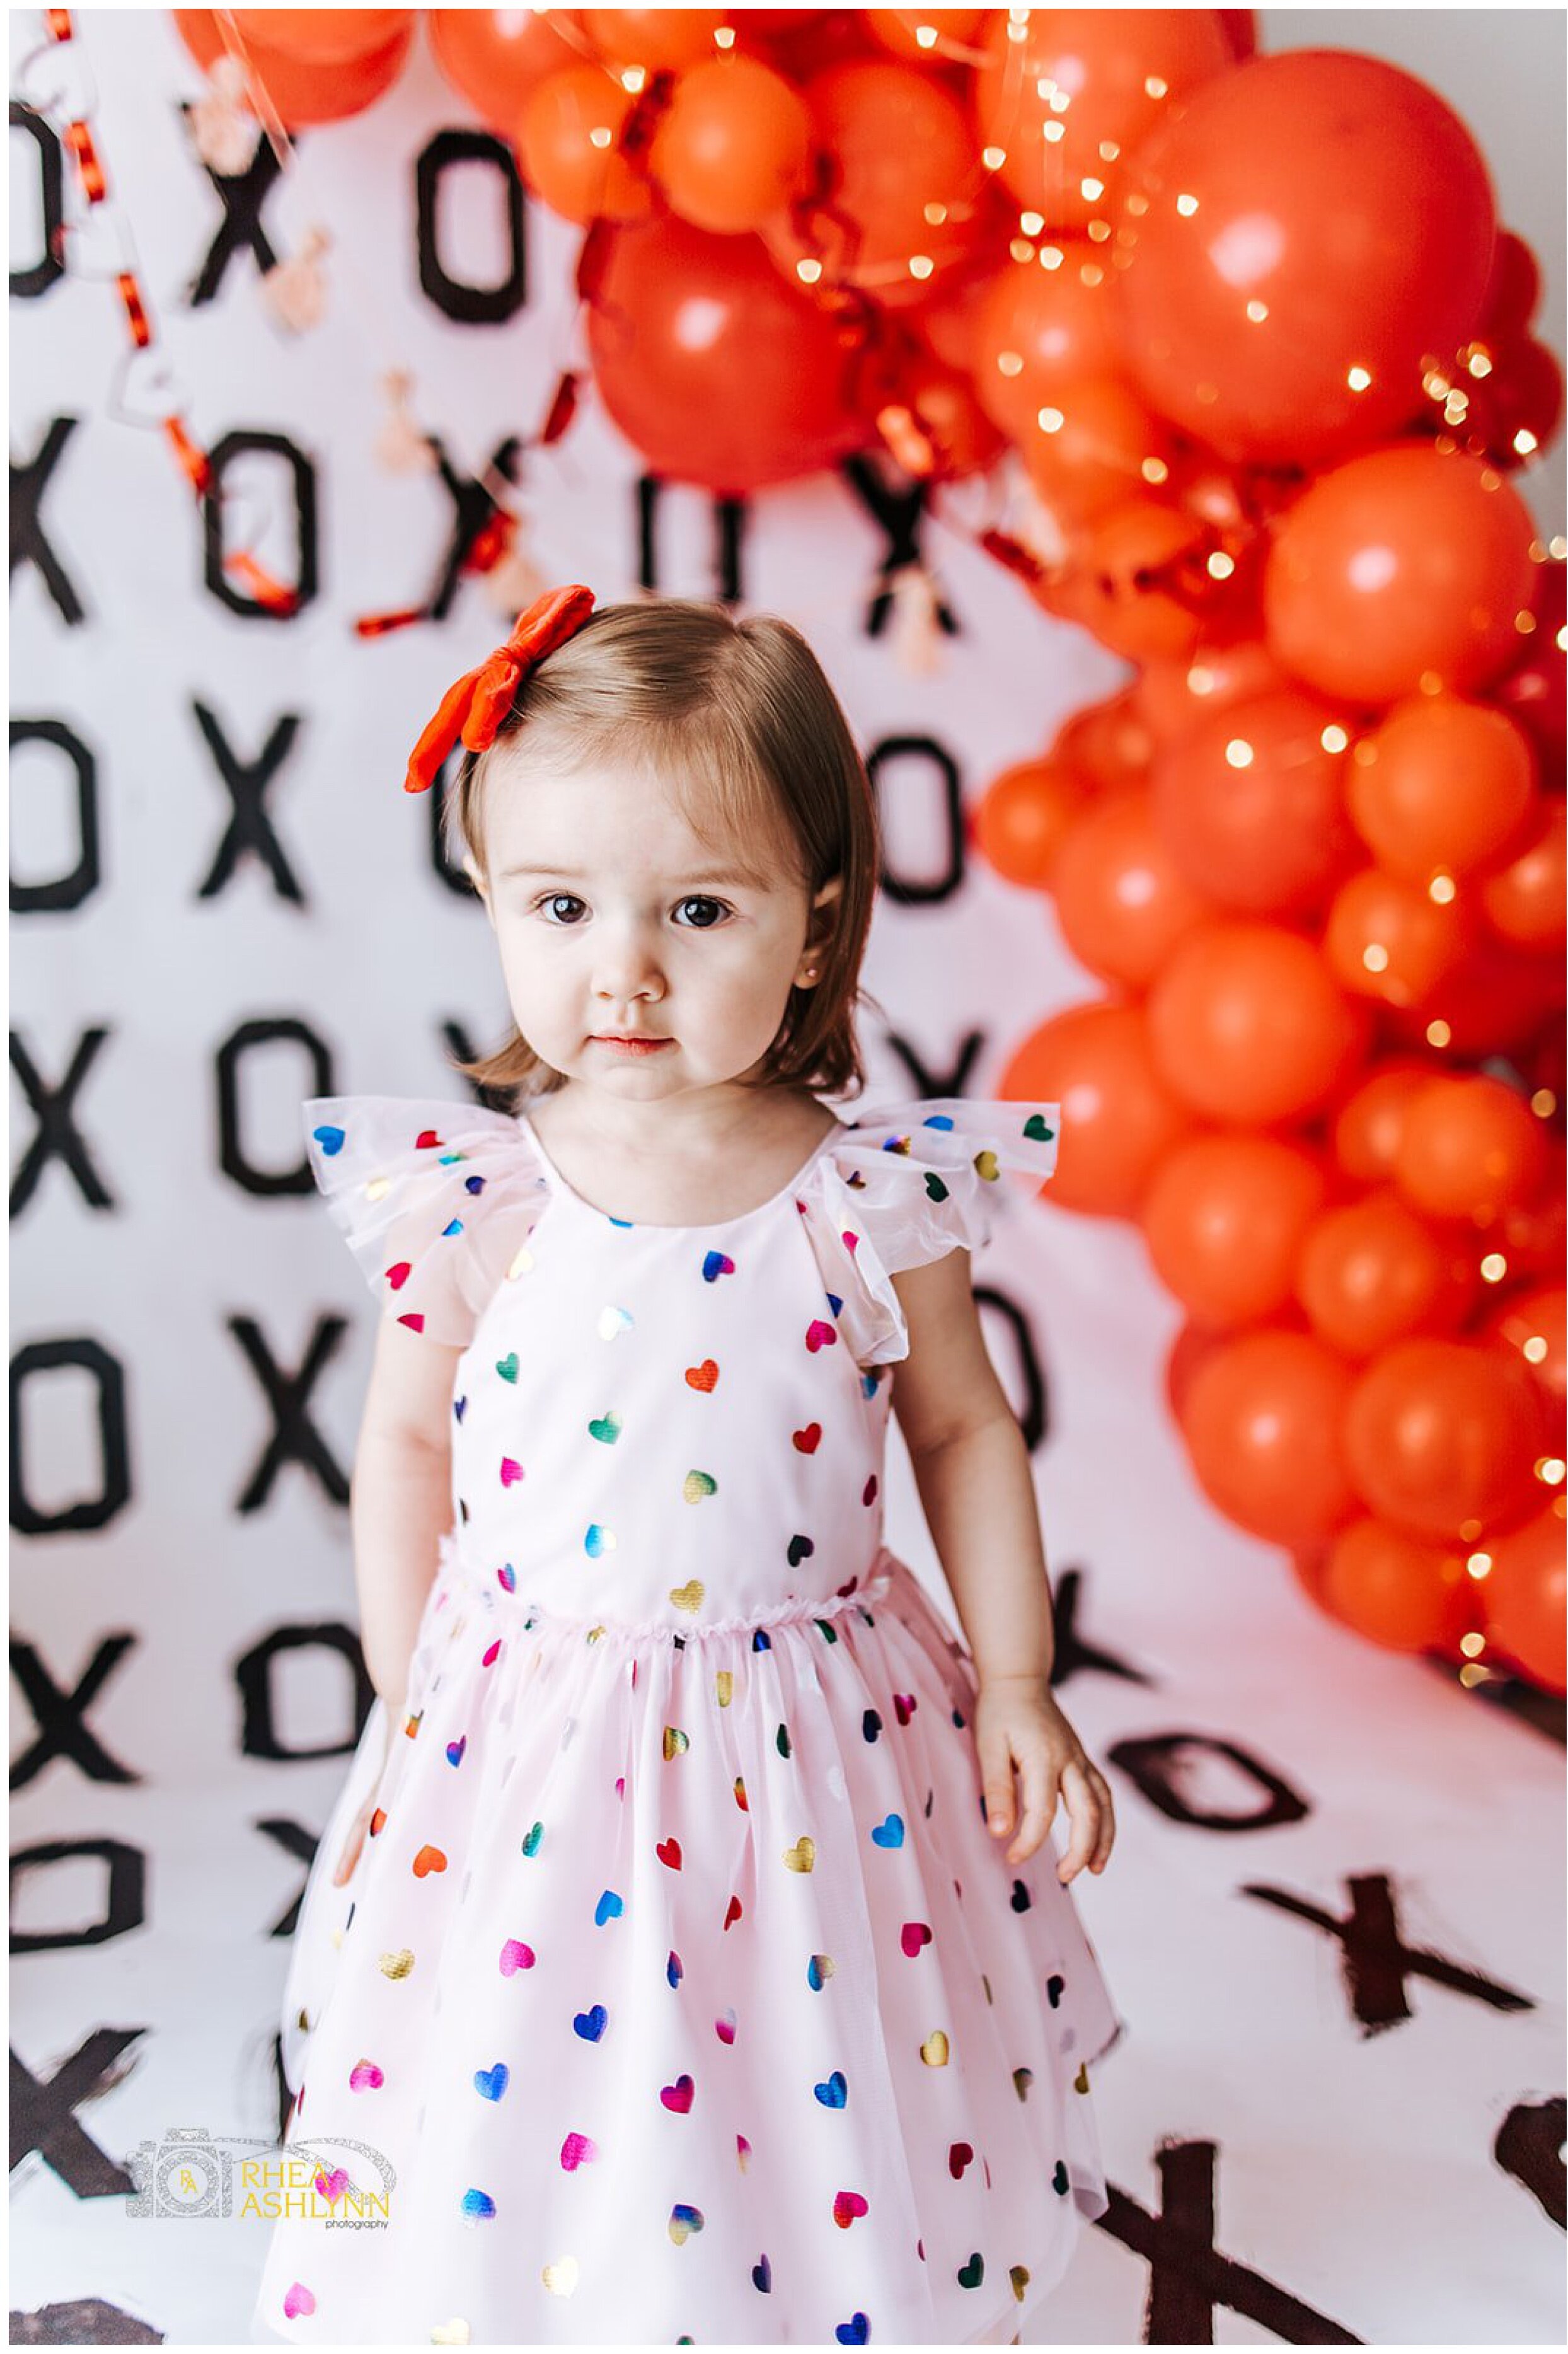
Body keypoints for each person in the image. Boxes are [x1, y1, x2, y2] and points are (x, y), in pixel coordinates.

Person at [251, 586, 1124, 2349]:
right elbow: (406, 1441)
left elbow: (962, 1425)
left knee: (798, 2022)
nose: (621, 968)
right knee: (529, 2022)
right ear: (493, 900)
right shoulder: (481, 1195)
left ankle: (799, 2285)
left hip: (807, 1723)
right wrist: (405, 1678)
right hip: (536, 1712)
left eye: (697, 910)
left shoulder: (866, 1197)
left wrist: (1015, 1679)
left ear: (813, 930)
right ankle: (523, 2286)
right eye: (559, 907)